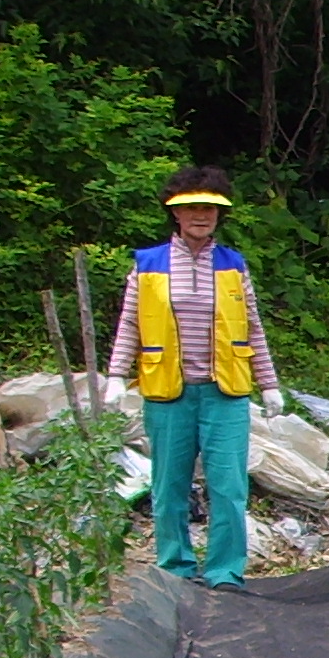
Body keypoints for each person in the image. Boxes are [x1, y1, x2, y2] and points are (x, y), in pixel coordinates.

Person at [103, 165, 285, 588]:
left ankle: (225, 571)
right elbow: (130, 323)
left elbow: (253, 327)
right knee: (168, 486)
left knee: (228, 486)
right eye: (191, 208)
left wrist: (270, 384)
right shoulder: (149, 264)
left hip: (225, 394)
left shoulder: (233, 265)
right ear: (175, 214)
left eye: (209, 208)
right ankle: (175, 567)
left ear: (220, 215)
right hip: (169, 393)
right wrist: (115, 375)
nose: (200, 215)